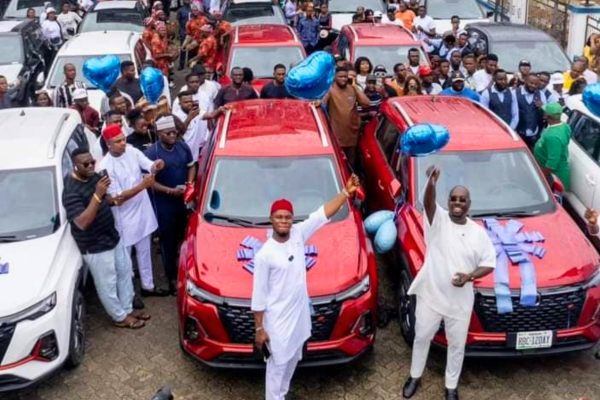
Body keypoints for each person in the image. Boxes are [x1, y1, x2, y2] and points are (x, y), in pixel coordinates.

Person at [252, 175, 361, 400]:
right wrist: (259, 330)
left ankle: (282, 394)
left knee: (292, 360)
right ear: (271, 219)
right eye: (279, 217)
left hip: (299, 318)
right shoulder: (265, 255)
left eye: (287, 217)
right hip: (278, 323)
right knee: (277, 368)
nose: (284, 221)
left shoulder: (299, 234)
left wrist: (345, 192)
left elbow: (323, 214)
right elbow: (259, 296)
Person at [402, 165, 495, 400]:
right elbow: (429, 203)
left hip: (459, 303)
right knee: (422, 336)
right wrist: (432, 183)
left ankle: (451, 386)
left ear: (469, 204)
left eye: (462, 200)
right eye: (453, 198)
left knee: (456, 346)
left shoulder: (478, 233)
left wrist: (469, 276)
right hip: (431, 296)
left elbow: (489, 263)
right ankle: (414, 376)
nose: (457, 202)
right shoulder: (438, 221)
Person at [63, 148, 148, 329]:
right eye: (86, 164)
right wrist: (97, 194)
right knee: (107, 283)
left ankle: (127, 308)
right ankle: (119, 317)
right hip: (95, 245)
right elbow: (82, 222)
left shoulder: (93, 176)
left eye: (92, 162)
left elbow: (105, 198)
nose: (91, 166)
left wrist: (111, 199)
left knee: (125, 272)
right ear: (75, 166)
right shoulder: (70, 191)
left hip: (112, 236)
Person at [98, 124, 170, 298]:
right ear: (109, 144)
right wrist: (142, 186)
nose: (124, 143)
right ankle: (129, 295)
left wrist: (156, 165)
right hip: (124, 218)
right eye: (118, 141)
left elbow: (148, 165)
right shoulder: (105, 167)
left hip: (142, 212)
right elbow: (117, 198)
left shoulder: (131, 151)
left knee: (145, 252)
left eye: (123, 139)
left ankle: (148, 287)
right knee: (126, 260)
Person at [145, 116, 196, 294]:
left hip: (183, 201)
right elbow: (148, 181)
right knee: (168, 242)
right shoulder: (152, 154)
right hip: (164, 204)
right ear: (159, 134)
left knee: (185, 237)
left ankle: (186, 271)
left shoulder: (182, 146)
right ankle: (171, 277)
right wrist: (168, 190)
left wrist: (189, 183)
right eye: (168, 133)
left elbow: (191, 166)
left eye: (174, 131)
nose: (173, 135)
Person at [319, 66, 370, 165]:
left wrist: (355, 87)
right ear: (334, 77)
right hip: (337, 132)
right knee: (340, 162)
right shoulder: (330, 89)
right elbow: (322, 103)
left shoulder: (352, 88)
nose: (343, 79)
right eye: (340, 77)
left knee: (351, 162)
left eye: (345, 77)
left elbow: (366, 103)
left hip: (352, 132)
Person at [174, 90, 226, 160]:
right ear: (179, 104)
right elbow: (178, 134)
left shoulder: (196, 112)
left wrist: (219, 110)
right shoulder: (176, 117)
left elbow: (211, 115)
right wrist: (189, 118)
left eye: (190, 101)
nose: (189, 104)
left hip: (194, 155)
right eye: (186, 102)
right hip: (182, 155)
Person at [533, 102, 571, 191]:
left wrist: (542, 178)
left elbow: (552, 163)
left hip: (554, 177)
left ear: (547, 116)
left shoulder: (553, 137)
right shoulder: (565, 126)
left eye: (545, 112)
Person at [515, 74, 547, 148]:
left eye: (536, 84)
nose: (533, 86)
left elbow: (546, 114)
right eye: (531, 83)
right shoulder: (515, 93)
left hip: (534, 133)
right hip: (518, 132)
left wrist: (542, 107)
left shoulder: (541, 94)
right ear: (525, 81)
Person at [176, 0, 192, 70]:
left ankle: (189, 63)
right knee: (183, 48)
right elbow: (178, 21)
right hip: (183, 31)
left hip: (192, 32)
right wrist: (179, 31)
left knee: (191, 48)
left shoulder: (193, 9)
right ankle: (181, 64)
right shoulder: (180, 10)